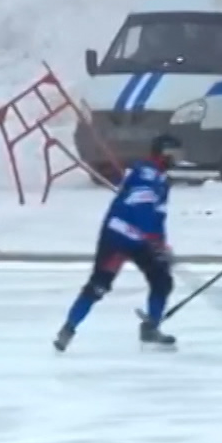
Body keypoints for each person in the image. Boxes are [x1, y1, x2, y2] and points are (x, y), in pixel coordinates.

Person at [55, 135, 179, 352]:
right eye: (174, 153)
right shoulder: (145, 174)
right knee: (98, 286)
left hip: (141, 240)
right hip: (118, 237)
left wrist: (161, 244)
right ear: (163, 153)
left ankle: (151, 327)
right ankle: (68, 328)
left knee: (162, 280)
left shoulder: (162, 180)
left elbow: (158, 216)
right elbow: (141, 209)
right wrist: (154, 241)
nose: (177, 158)